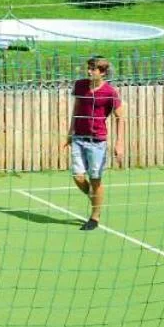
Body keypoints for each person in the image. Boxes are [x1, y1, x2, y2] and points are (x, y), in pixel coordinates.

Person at [68, 56, 124, 231]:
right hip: (78, 138)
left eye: (93, 69)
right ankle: (94, 198)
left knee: (95, 180)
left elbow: (120, 117)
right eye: (89, 68)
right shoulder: (80, 85)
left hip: (97, 141)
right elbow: (76, 108)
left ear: (103, 72)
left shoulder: (110, 92)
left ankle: (95, 217)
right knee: (77, 176)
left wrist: (119, 143)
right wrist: (70, 131)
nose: (89, 71)